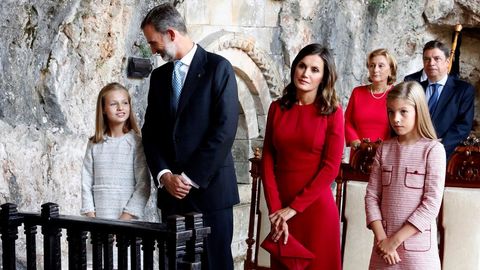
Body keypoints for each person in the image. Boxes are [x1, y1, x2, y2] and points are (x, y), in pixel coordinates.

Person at [140, 4, 239, 270]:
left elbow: (225, 129)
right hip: (172, 197)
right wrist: (164, 176)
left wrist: (189, 177)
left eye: (154, 42)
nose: (152, 50)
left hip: (211, 193)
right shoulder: (159, 78)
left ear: (171, 33)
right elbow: (151, 134)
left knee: (214, 264)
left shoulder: (219, 68)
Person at [261, 44, 344, 270]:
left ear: (324, 77)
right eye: (302, 66)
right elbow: (267, 160)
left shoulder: (333, 113)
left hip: (316, 211)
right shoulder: (277, 108)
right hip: (280, 210)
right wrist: (276, 212)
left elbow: (331, 168)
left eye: (314, 70)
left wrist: (294, 208)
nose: (306, 73)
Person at [365, 81, 446, 269]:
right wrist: (382, 240)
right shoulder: (384, 149)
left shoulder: (433, 150)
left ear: (419, 111)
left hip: (418, 254)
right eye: (391, 112)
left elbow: (431, 205)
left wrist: (394, 242)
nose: (396, 119)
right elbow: (371, 197)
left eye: (403, 112)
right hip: (382, 250)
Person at [81, 82, 151, 220]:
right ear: (103, 109)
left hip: (127, 222)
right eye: (113, 104)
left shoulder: (136, 143)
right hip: (99, 223)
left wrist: (123, 220)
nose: (120, 108)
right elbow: (86, 182)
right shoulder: (94, 144)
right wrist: (91, 217)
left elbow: (143, 185)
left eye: (125, 103)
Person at [420, 40, 475, 159]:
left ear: (447, 62)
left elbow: (463, 126)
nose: (431, 63)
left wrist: (438, 149)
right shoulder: (415, 87)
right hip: (414, 152)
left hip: (444, 154)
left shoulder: (463, 90)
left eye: (437, 58)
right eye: (427, 59)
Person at [345, 48, 397, 151]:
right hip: (359, 153)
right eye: (372, 65)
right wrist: (354, 140)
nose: (375, 70)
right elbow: (347, 121)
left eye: (380, 66)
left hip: (386, 154)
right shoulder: (357, 92)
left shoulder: (397, 94)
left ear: (390, 69)